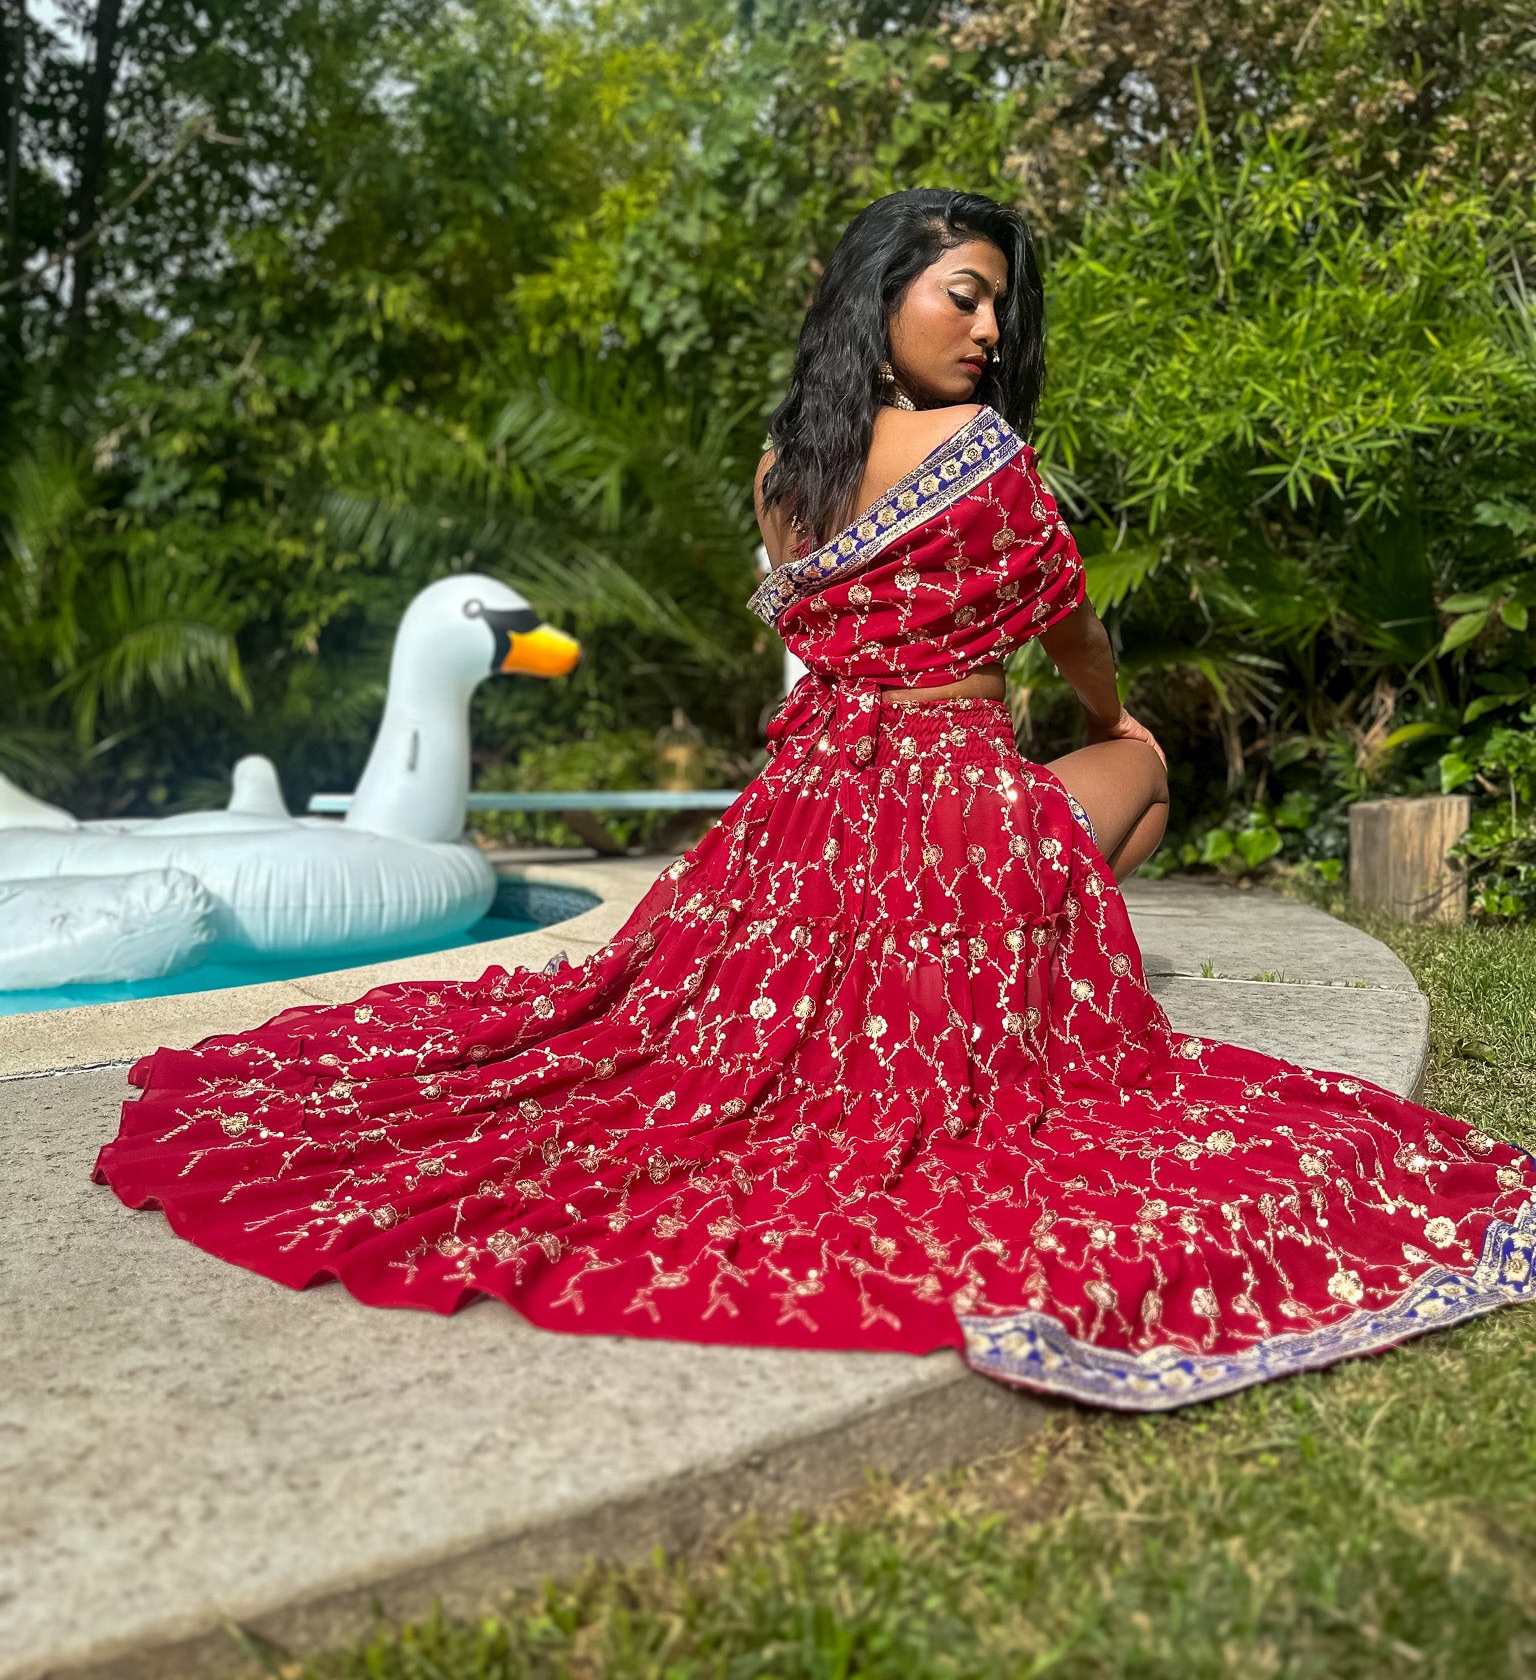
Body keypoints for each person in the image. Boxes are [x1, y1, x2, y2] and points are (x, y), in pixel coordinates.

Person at [95, 188, 1536, 1411]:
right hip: (953, 803)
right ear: (883, 295)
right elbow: (1074, 630)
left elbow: (819, 633)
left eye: (999, 310)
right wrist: (1110, 723)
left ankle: (978, 959)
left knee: (719, 1008)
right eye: (965, 297)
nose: (989, 330)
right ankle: (1018, 971)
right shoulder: (987, 461)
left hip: (798, 818)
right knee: (1144, 772)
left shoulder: (784, 471)